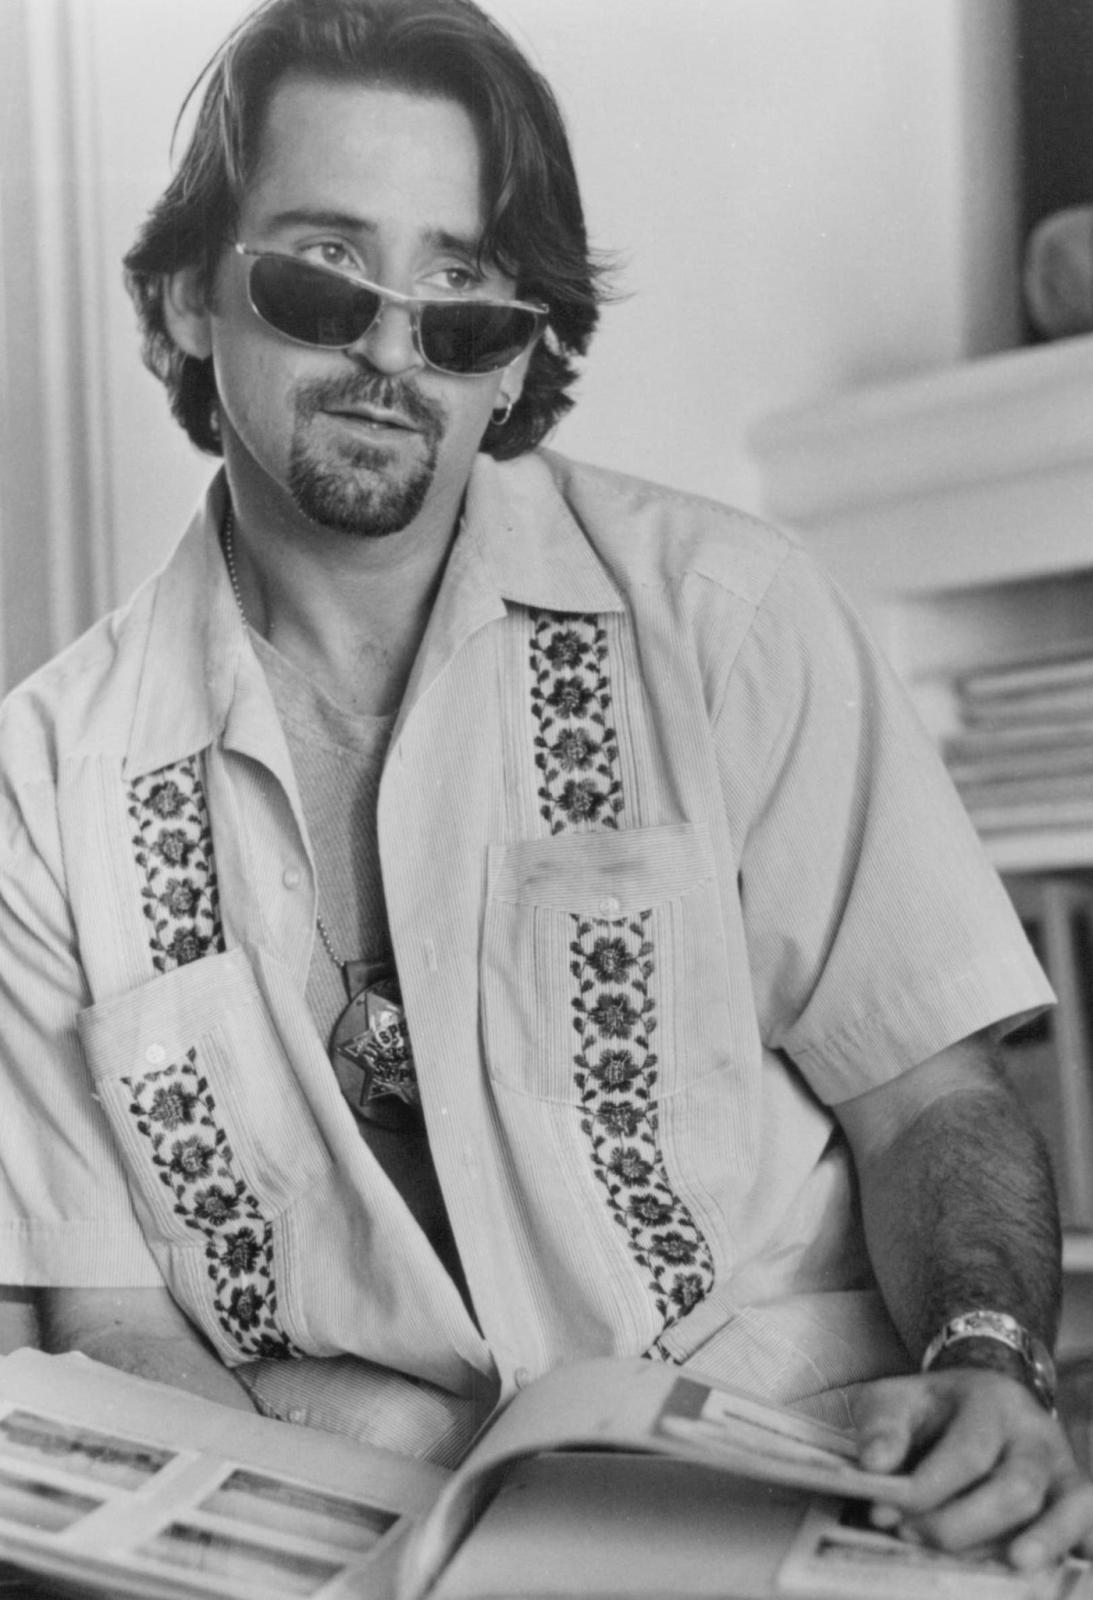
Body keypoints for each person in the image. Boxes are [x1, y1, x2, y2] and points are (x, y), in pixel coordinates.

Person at [0, 0, 1090, 1570]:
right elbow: (112, 1325)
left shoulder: (729, 621)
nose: (392, 352)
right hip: (344, 1535)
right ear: (186, 298)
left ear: (513, 364)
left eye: (461, 305)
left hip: (795, 1484)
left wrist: (988, 1361)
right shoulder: (41, 788)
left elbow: (929, 1099)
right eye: (323, 274)